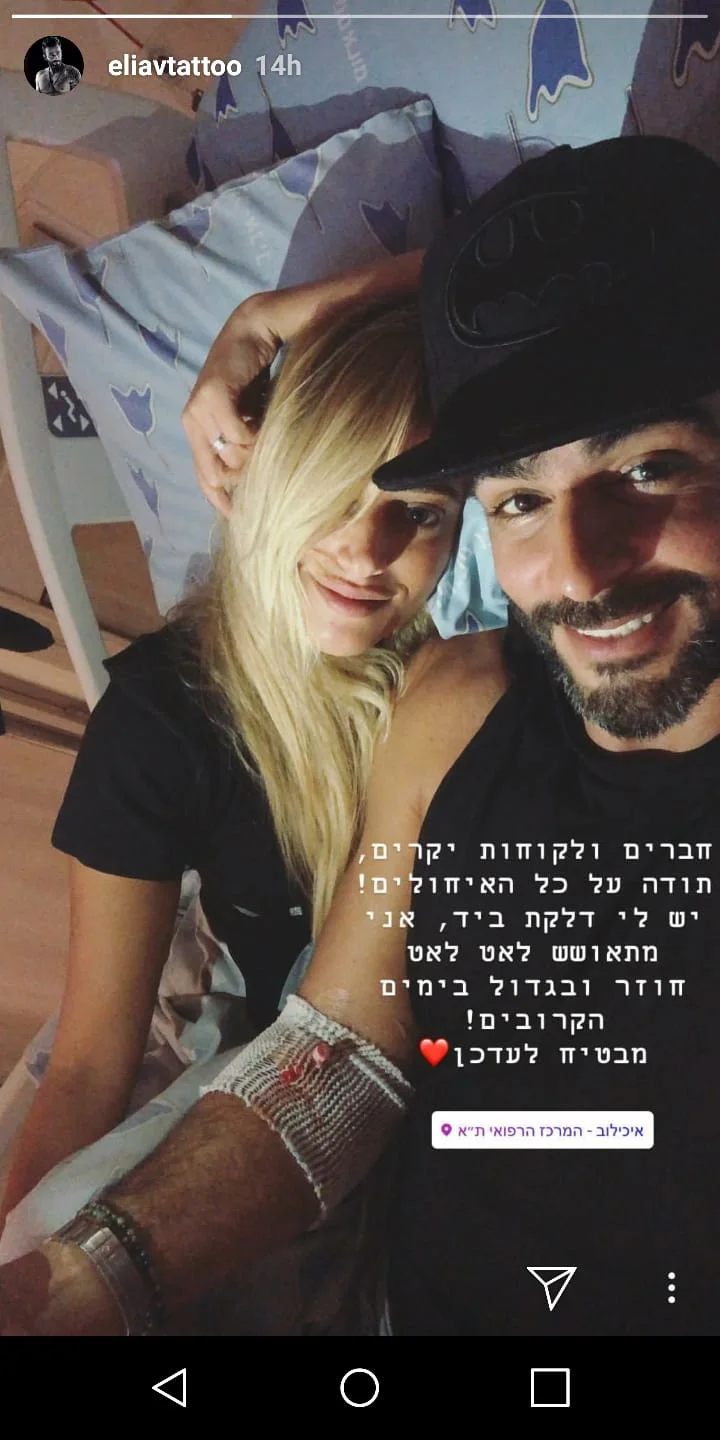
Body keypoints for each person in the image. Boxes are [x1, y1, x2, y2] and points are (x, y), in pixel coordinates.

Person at [2, 132, 719, 1338]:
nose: (579, 571)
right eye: (520, 499)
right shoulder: (455, 706)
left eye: (648, 470)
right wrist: (72, 1288)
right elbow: (338, 1056)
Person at [0, 300, 472, 1250]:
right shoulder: (160, 722)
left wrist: (261, 317)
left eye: (418, 513)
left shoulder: (466, 688)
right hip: (273, 1051)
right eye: (332, 489)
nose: (365, 551)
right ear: (263, 478)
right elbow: (89, 1064)